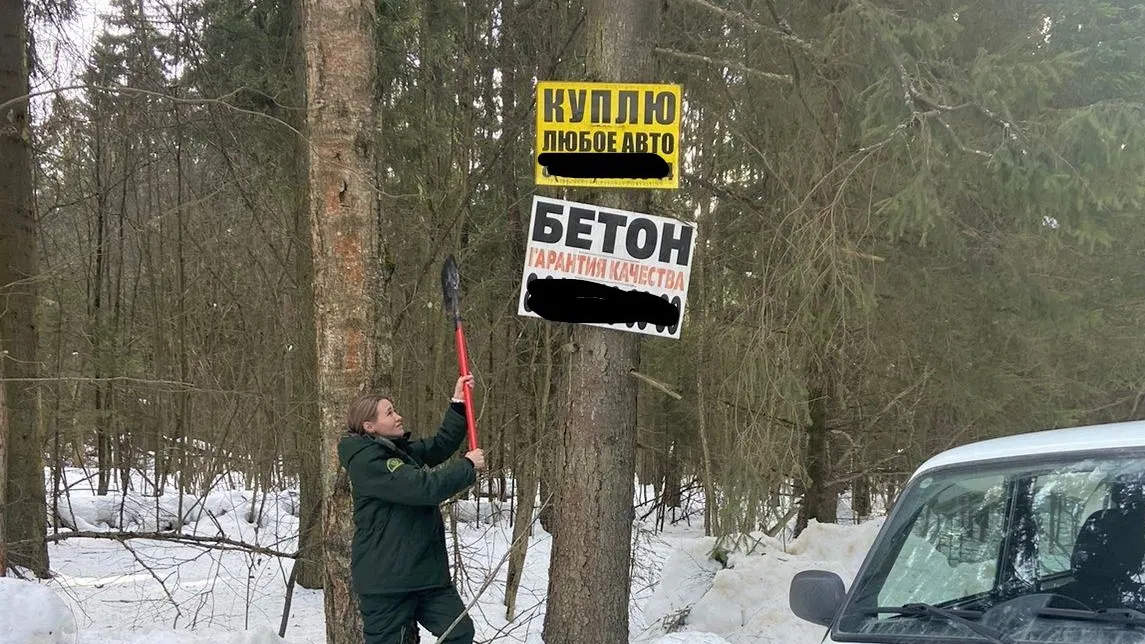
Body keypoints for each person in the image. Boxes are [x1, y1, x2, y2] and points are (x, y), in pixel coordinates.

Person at [338, 374, 485, 644]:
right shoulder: (369, 461)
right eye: (389, 413)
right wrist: (467, 466)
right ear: (370, 426)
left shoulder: (397, 452)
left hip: (425, 576)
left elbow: (440, 445)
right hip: (387, 583)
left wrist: (459, 402)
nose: (398, 417)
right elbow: (423, 488)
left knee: (460, 632)